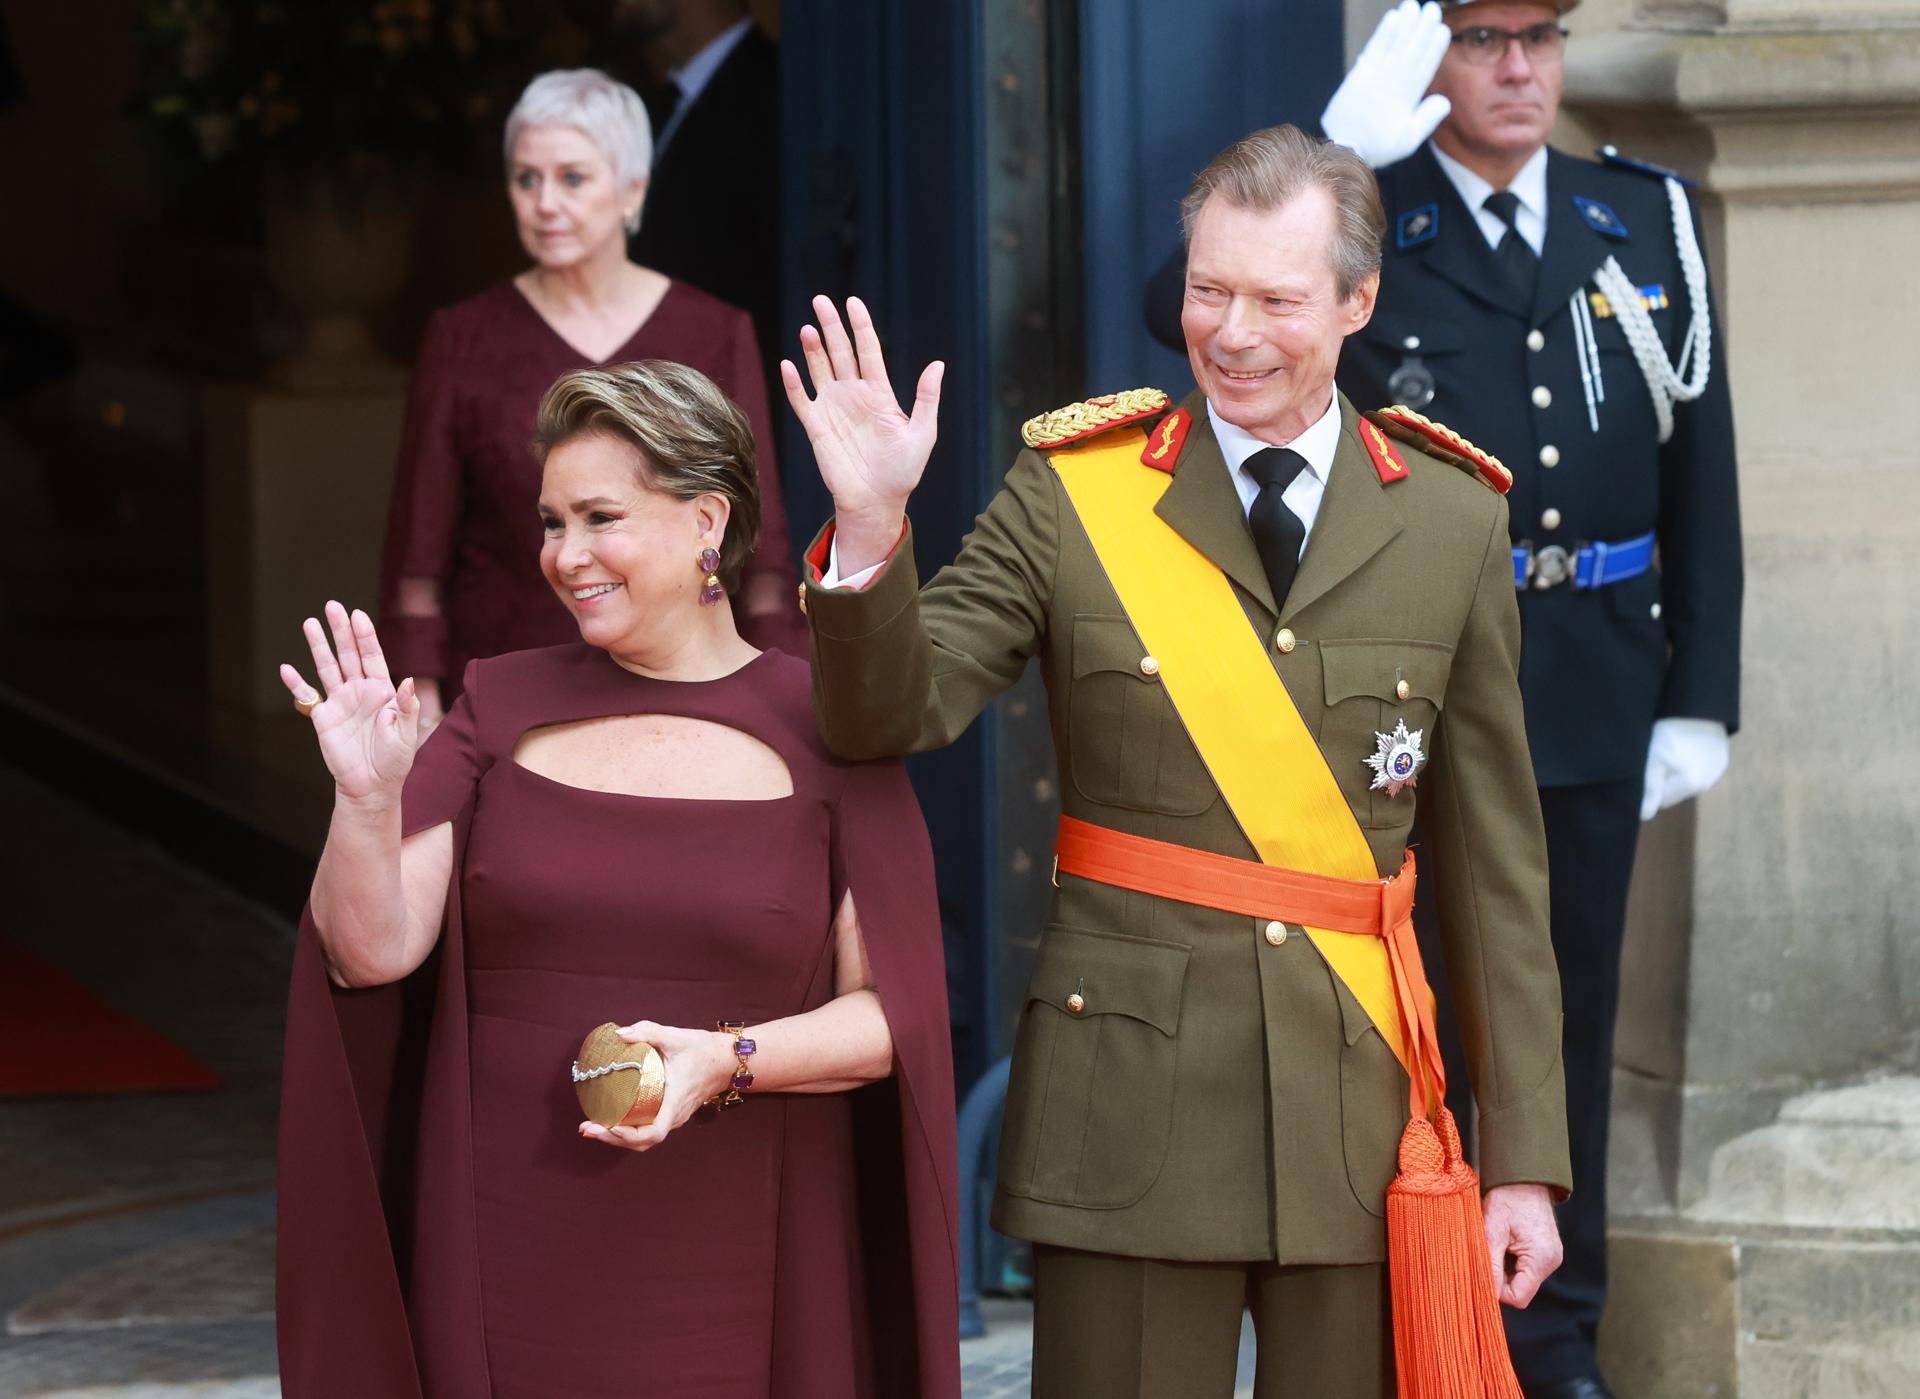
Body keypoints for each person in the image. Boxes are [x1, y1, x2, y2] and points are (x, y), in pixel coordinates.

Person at [784, 125, 1570, 1397]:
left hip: (1356, 1114)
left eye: (1277, 300)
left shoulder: (1452, 518)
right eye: (1209, 291)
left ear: (1359, 303)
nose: (1233, 333)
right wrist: (871, 526)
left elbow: (1494, 873)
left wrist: (1522, 1158)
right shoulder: (1075, 490)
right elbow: (892, 715)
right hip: (1127, 1108)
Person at [276, 361, 959, 1398]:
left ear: (706, 522)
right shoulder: (496, 705)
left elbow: (893, 1019)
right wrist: (366, 800)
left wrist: (723, 1060)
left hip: (738, 1261)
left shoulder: (830, 725)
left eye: (601, 518)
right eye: (552, 523)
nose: (566, 555)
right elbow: (367, 953)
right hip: (501, 1248)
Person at [1316, 6, 1743, 1398]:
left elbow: (1703, 468)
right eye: (1484, 35)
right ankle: (1424, 1334)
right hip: (1420, 684)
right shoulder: (1368, 219)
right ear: (1426, 57)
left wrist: (1702, 689)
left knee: (1568, 1025)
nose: (1518, 67)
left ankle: (1555, 1344)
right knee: (1415, 1021)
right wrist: (1334, 162)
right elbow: (1175, 308)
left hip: (1595, 678)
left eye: (1542, 35)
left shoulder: (1643, 217)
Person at [379, 67, 802, 731]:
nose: (545, 202)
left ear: (633, 189)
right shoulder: (463, 336)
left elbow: (764, 550)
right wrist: (422, 700)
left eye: (572, 178)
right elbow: (418, 553)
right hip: (507, 693)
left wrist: (778, 699)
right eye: (526, 179)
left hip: (684, 696)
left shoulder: (715, 332)